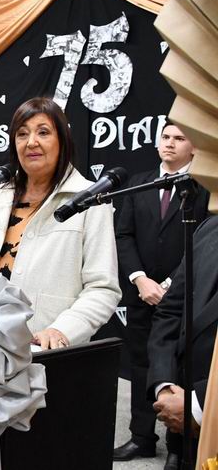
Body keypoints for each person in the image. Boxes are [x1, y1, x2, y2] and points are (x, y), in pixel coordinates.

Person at [0, 97, 121, 348]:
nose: (31, 142)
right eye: (22, 134)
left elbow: (102, 288)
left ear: (63, 140)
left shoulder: (90, 200)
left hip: (40, 350)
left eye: (43, 132)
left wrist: (61, 330)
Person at [112, 121, 210, 463]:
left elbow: (202, 243)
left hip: (183, 296)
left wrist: (169, 285)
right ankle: (141, 436)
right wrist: (140, 279)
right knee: (140, 365)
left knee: (178, 368)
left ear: (194, 147)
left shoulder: (203, 189)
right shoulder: (137, 185)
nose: (169, 143)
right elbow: (123, 235)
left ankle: (177, 445)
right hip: (141, 294)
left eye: (179, 138)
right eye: (165, 137)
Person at [147, 215, 218, 470]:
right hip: (182, 427)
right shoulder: (209, 227)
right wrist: (164, 387)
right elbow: (171, 311)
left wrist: (199, 403)